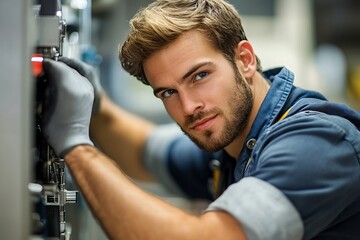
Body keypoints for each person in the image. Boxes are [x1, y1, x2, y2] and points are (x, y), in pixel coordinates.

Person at [41, 0, 360, 239]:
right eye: (168, 92)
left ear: (245, 60)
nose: (189, 106)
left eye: (200, 75)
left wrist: (76, 146)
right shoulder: (231, 144)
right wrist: (95, 105)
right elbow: (143, 151)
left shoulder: (318, 142)